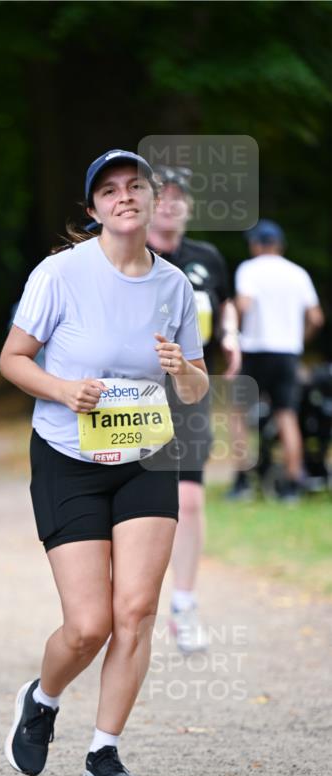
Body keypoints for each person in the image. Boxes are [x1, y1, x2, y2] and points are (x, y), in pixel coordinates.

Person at [0, 149, 207, 776]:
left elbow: (198, 389)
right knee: (88, 624)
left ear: (151, 201)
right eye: (110, 191)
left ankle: (104, 751)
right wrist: (63, 390)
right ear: (93, 209)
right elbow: (13, 359)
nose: (125, 197)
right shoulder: (60, 274)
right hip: (68, 456)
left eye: (135, 186)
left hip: (145, 453)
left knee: (137, 609)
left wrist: (182, 371)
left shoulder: (175, 287)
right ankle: (44, 697)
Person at [147, 166, 241, 653]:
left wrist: (231, 337)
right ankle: (122, 606)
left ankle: (183, 605)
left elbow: (224, 306)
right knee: (130, 505)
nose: (169, 204)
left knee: (190, 500)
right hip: (134, 394)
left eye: (177, 197)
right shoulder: (128, 255)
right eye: (160, 196)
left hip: (188, 391)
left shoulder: (206, 259)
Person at [228, 219, 324, 502]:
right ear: (279, 245)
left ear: (257, 244)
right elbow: (316, 317)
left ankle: (243, 481)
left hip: (256, 350)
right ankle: (293, 485)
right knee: (287, 415)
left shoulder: (250, 269)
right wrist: (298, 340)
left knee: (238, 415)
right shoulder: (298, 273)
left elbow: (243, 304)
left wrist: (232, 334)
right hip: (287, 353)